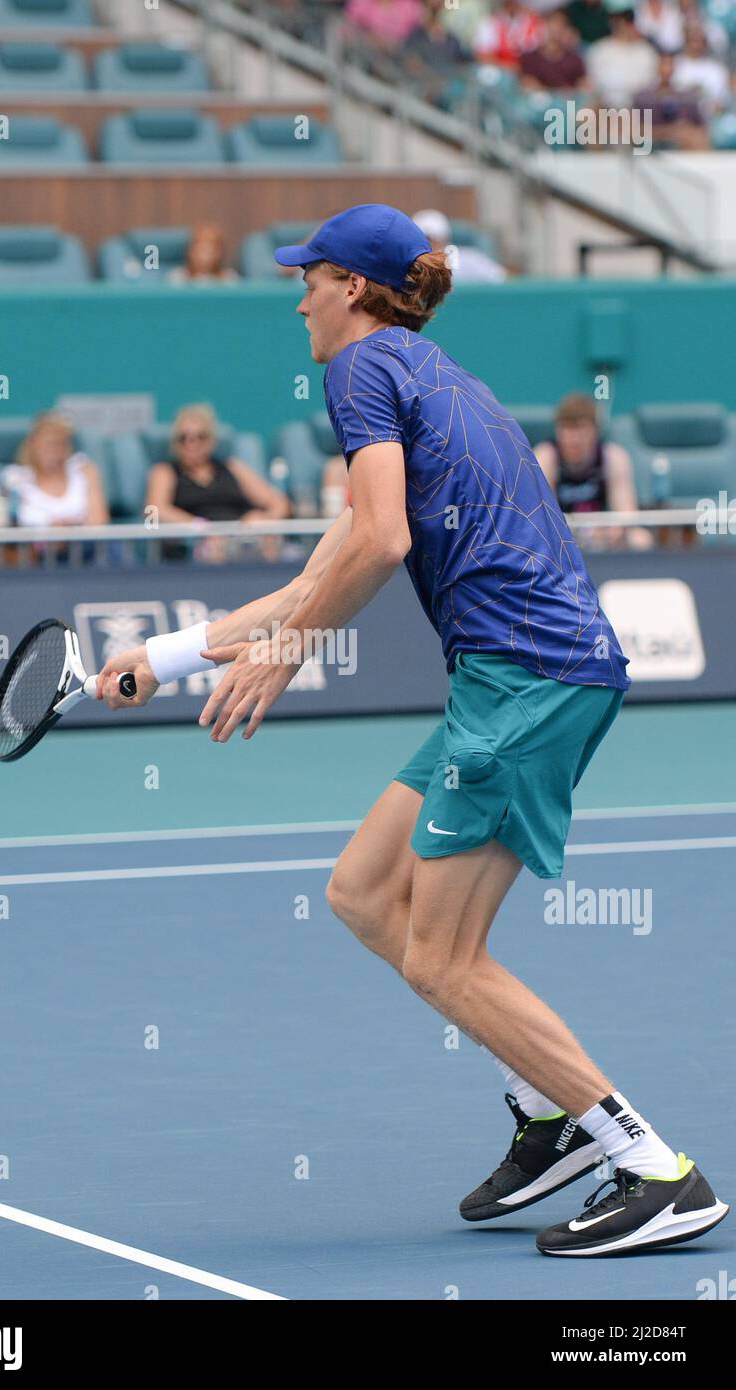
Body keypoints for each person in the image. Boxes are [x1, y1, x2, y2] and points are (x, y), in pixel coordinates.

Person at [95, 204, 727, 1257]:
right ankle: (544, 1111)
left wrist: (289, 650)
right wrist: (161, 657)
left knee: (441, 958)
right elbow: (328, 566)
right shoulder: (434, 383)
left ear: (353, 287)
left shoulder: (359, 372)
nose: (297, 296)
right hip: (515, 676)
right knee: (360, 889)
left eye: (310, 277)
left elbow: (380, 541)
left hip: (526, 679)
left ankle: (652, 1167)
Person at [144, 402, 289, 561]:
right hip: (197, 545)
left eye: (201, 437)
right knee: (213, 548)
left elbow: (279, 503)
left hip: (242, 539)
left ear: (211, 441)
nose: (192, 444)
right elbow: (154, 511)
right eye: (184, 438)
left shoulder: (232, 467)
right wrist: (200, 527)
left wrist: (261, 521)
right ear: (175, 443)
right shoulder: (164, 471)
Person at [535, 394, 654, 547]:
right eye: (567, 429)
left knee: (640, 539)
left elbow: (627, 517)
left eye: (581, 429)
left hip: (604, 536)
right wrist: (576, 533)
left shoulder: (614, 458)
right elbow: (542, 520)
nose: (574, 439)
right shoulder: (545, 458)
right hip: (560, 540)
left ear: (595, 430)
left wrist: (613, 531)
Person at [14, 412, 109, 527]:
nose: (54, 451)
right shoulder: (15, 478)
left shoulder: (85, 469)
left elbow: (99, 521)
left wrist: (71, 528)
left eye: (61, 444)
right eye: (48, 444)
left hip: (85, 544)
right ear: (33, 444)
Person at [635, 51, 709, 149]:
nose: (666, 69)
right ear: (656, 68)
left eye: (670, 65)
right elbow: (634, 130)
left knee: (697, 139)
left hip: (683, 146)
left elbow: (702, 129)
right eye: (663, 65)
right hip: (649, 145)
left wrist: (686, 131)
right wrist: (671, 131)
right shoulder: (643, 97)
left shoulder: (687, 98)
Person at [413, 208, 507, 284]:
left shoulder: (470, 259)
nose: (427, 244)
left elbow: (501, 279)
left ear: (443, 239)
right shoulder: (408, 266)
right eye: (421, 240)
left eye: (431, 239)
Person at [586, 7, 658, 105]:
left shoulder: (647, 52)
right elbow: (593, 84)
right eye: (617, 21)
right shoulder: (598, 50)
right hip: (606, 108)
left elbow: (650, 84)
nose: (621, 25)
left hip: (640, 109)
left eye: (626, 21)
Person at [520, 7, 587, 90]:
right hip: (543, 100)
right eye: (553, 24)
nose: (556, 29)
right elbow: (529, 84)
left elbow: (583, 85)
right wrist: (555, 94)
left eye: (561, 25)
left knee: (574, 102)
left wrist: (574, 92)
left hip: (568, 99)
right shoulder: (530, 58)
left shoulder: (574, 59)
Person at [166, 223, 240, 285]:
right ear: (190, 252)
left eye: (210, 250)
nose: (205, 255)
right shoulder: (177, 278)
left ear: (220, 253)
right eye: (200, 249)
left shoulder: (229, 279)